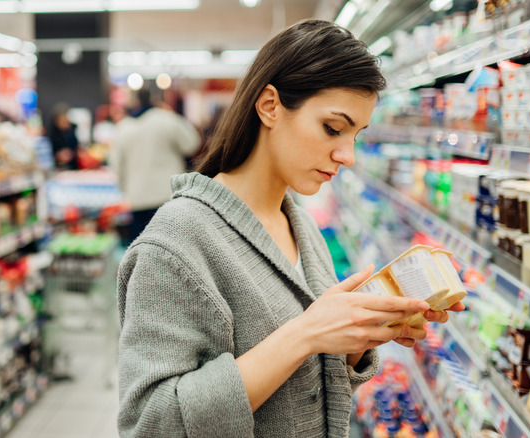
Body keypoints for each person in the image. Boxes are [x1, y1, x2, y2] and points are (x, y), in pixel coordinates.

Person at [116, 19, 465, 438]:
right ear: (269, 106)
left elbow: (304, 391)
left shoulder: (299, 225)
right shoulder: (176, 242)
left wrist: (355, 340)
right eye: (333, 128)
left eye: (356, 134)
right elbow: (151, 425)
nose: (347, 155)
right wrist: (306, 333)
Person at [109, 87, 200, 243]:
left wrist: (126, 189)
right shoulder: (167, 120)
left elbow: (116, 165)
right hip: (168, 196)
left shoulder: (123, 128)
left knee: (141, 251)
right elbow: (192, 143)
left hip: (138, 199)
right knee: (173, 249)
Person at [48, 103, 80, 170]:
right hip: (57, 168)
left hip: (73, 167)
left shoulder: (73, 130)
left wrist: (73, 153)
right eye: (61, 120)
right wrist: (57, 156)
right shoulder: (52, 134)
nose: (64, 123)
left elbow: (78, 148)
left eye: (65, 119)